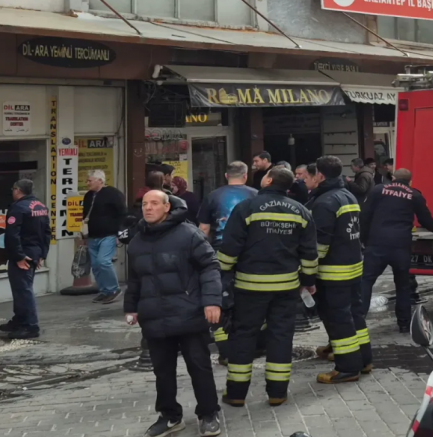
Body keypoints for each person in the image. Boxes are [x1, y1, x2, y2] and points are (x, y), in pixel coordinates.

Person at [125, 190, 223, 437]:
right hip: (154, 316)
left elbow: (210, 267)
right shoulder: (137, 240)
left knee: (199, 366)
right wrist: (131, 307)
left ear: (167, 207)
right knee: (162, 371)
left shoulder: (189, 234)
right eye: (145, 204)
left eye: (154, 203)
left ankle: (208, 414)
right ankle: (170, 416)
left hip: (188, 312)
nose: (148, 208)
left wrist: (212, 302)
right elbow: (135, 278)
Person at [217, 167, 318, 407]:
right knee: (281, 337)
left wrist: (222, 275)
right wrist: (309, 281)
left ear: (269, 180)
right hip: (286, 288)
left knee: (243, 337)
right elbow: (309, 253)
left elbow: (230, 248)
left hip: (249, 287)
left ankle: (236, 394)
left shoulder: (246, 208)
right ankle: (277, 393)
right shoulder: (302, 211)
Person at [306, 156, 369, 384]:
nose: (305, 180)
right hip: (352, 267)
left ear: (320, 176)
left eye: (308, 176)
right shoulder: (347, 195)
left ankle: (347, 367)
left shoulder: (324, 203)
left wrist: (307, 273)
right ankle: (364, 359)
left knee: (338, 319)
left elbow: (319, 246)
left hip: (333, 272)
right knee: (354, 315)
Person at [360, 168, 433, 332]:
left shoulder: (378, 190)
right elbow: (424, 218)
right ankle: (404, 323)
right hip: (401, 246)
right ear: (410, 181)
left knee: (366, 281)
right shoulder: (414, 195)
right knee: (402, 286)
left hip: (377, 244)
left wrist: (364, 240)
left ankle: (359, 321)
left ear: (393, 178)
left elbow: (364, 215)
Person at [197, 161, 260, 365]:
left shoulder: (213, 196)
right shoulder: (255, 195)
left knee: (222, 301)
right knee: (248, 300)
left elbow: (204, 229)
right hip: (249, 255)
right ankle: (249, 346)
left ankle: (225, 350)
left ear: (226, 175)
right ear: (245, 175)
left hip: (220, 254)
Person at [0, 179, 50, 340]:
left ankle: (30, 325)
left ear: (18, 190)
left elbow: (12, 235)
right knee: (21, 289)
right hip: (34, 252)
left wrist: (19, 257)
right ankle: (20, 319)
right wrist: (42, 254)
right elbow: (47, 232)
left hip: (23, 254)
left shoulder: (18, 208)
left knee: (23, 290)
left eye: (13, 189)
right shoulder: (40, 206)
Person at [83, 170, 128, 305]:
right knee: (96, 265)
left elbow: (123, 213)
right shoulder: (88, 196)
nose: (87, 183)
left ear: (100, 181)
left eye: (90, 180)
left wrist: (119, 233)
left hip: (109, 234)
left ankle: (114, 289)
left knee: (103, 261)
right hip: (92, 235)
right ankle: (104, 291)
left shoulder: (113, 194)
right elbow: (84, 215)